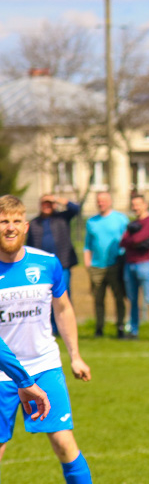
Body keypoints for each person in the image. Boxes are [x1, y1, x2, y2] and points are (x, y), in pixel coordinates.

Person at [0, 195, 93, 483]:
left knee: (64, 443)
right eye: (3, 221)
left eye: (16, 221)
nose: (10, 227)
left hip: (44, 366)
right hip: (2, 374)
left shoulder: (47, 263)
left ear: (26, 226)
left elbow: (63, 308)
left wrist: (75, 355)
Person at [26, 194, 81, 335]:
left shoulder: (61, 218)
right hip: (41, 268)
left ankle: (65, 327)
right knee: (43, 298)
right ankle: (50, 328)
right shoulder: (34, 223)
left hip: (62, 265)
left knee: (62, 297)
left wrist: (57, 199)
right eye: (44, 203)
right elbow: (29, 245)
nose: (47, 206)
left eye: (49, 203)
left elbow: (76, 209)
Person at [84, 191, 128, 338]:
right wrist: (87, 264)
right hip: (96, 267)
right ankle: (99, 328)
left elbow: (127, 242)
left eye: (103, 201)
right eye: (98, 201)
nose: (100, 203)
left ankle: (120, 327)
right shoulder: (91, 222)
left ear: (110, 201)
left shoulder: (121, 220)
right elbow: (87, 246)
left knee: (118, 298)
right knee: (98, 300)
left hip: (115, 265)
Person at [120, 194, 149, 341]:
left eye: (138, 204)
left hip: (144, 265)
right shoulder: (132, 223)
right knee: (133, 300)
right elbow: (123, 242)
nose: (135, 207)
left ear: (145, 205)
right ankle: (134, 331)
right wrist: (134, 241)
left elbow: (137, 238)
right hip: (130, 264)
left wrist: (132, 240)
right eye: (133, 205)